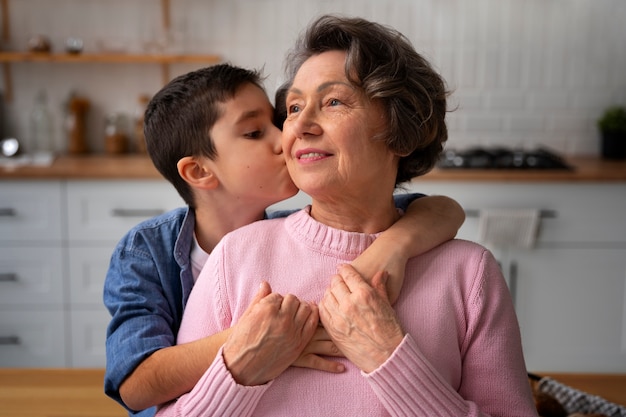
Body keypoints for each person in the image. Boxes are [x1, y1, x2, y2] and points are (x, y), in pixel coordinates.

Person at [155, 15, 538, 417]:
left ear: (400, 129)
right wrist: (241, 371)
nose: (298, 125)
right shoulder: (236, 255)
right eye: (294, 107)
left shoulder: (470, 272)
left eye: (334, 102)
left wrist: (388, 356)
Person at [103, 64, 466, 416]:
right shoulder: (147, 251)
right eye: (254, 133)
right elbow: (135, 387)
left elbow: (438, 210)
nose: (286, 137)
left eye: (278, 122)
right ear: (199, 171)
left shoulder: (292, 231)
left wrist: (393, 248)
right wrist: (265, 340)